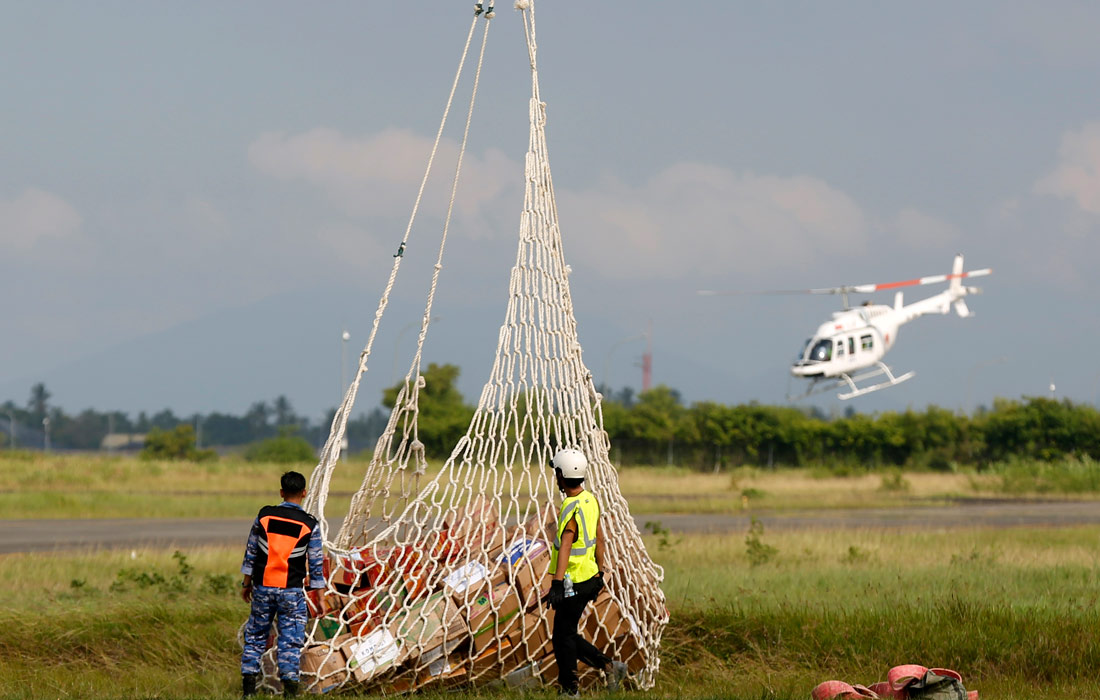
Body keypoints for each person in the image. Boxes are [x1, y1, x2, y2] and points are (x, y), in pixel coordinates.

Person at [544, 448, 629, 696]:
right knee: (566, 633)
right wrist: (600, 573)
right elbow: (600, 539)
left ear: (561, 475)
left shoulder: (570, 506)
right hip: (590, 578)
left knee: (562, 637)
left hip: (573, 581)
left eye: (556, 473)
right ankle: (610, 666)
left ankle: (571, 690)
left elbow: (566, 545)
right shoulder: (590, 500)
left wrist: (557, 583)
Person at [239, 471, 324, 698]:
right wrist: (321, 598)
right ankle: (290, 693)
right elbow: (316, 564)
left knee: (255, 637)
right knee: (291, 641)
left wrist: (246, 584)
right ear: (304, 493)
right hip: (291, 592)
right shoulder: (310, 524)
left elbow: (251, 552)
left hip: (262, 589)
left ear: (281, 492)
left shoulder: (265, 516)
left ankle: (248, 691)